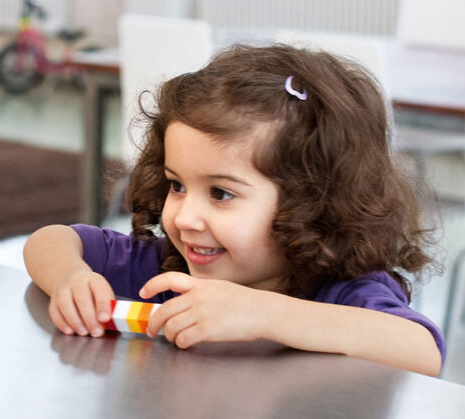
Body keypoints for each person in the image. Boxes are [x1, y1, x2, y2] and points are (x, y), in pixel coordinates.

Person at [23, 44, 445, 376]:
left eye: (221, 194)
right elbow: (53, 240)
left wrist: (264, 313)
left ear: (311, 202)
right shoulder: (169, 270)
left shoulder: (344, 292)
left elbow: (421, 350)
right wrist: (71, 278)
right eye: (177, 185)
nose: (185, 218)